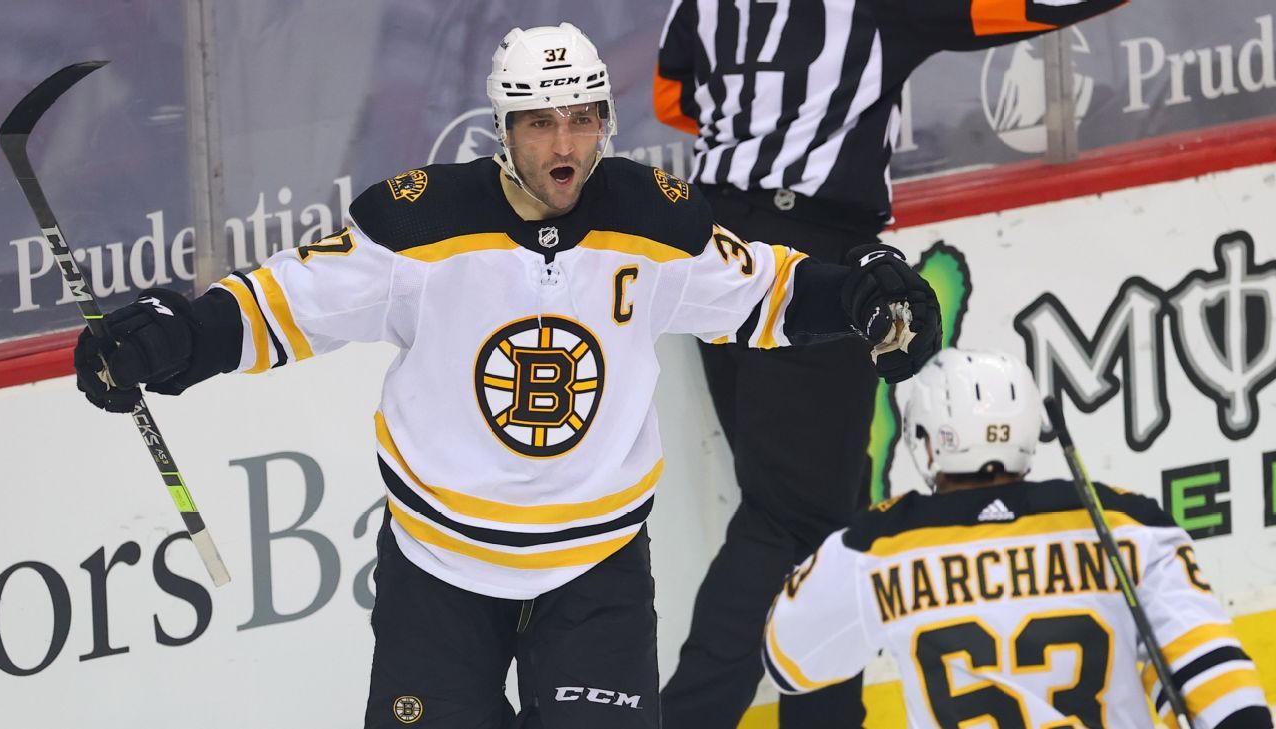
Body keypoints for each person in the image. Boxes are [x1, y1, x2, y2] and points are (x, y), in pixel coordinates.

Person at [70, 22, 940, 729]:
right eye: (539, 122)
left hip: (595, 572)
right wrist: (173, 339)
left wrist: (860, 294)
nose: (564, 144)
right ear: (502, 127)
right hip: (438, 574)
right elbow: (283, 302)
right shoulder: (419, 227)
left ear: (606, 120)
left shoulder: (652, 223)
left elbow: (766, 291)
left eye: (582, 119)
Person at [654, 1, 1130, 726]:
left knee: (819, 503)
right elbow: (1023, 7)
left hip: (717, 245)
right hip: (813, 254)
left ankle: (825, 719)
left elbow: (673, 95)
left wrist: (771, 124)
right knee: (789, 514)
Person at [763, 349, 1273, 729]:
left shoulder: (876, 546)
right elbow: (1217, 678)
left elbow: (789, 663)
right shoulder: (1128, 523)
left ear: (926, 441)